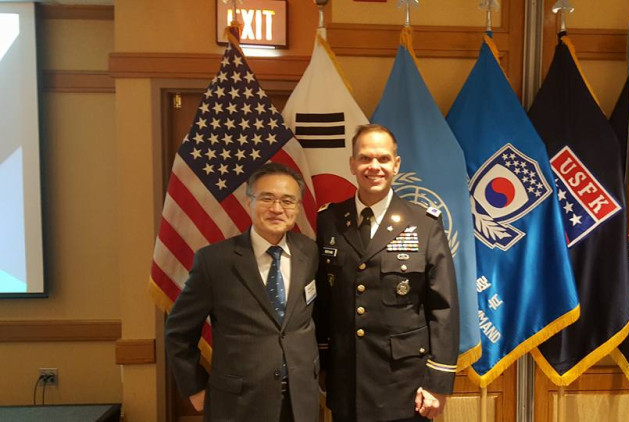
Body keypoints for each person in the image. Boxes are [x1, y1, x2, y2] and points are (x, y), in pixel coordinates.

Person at [315, 124, 459, 421]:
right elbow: (323, 301)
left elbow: (444, 307)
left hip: (404, 383)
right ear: (352, 164)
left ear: (396, 164)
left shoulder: (424, 223)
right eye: (365, 158)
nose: (374, 166)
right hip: (346, 379)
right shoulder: (329, 220)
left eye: (383, 158)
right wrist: (323, 361)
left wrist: (439, 380)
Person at [165, 162, 320, 422]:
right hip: (238, 403)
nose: (277, 209)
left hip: (300, 399)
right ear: (249, 202)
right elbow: (178, 331)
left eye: (287, 201)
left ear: (297, 207)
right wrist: (194, 387)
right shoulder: (214, 262)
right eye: (267, 198)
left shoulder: (309, 252)